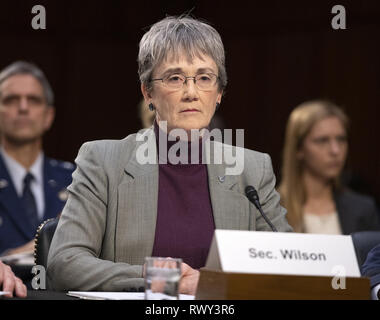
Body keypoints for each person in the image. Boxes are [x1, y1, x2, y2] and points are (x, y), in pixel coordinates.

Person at [47, 15, 292, 295]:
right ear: (147, 92)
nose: (191, 92)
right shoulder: (103, 161)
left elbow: (286, 266)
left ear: (219, 92)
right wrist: (169, 279)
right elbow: (64, 264)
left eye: (204, 78)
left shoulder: (252, 168)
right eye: (175, 78)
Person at [0, 61, 75, 256]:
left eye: (33, 100)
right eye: (11, 100)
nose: (23, 108)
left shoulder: (76, 179)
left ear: (48, 116)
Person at [279, 100, 380, 234]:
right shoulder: (272, 208)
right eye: (322, 140)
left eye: (341, 139)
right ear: (299, 149)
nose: (335, 150)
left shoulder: (363, 209)